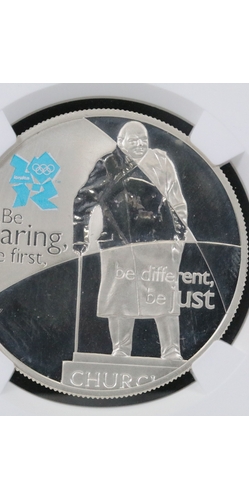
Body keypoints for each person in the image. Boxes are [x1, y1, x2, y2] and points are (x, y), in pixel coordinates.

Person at [73, 121, 188, 361]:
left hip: (157, 241)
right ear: (120, 142)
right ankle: (120, 350)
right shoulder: (109, 165)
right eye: (133, 140)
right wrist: (79, 237)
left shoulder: (161, 162)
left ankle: (171, 350)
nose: (139, 144)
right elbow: (84, 200)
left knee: (163, 295)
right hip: (119, 242)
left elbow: (177, 202)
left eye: (143, 139)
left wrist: (178, 239)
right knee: (119, 299)